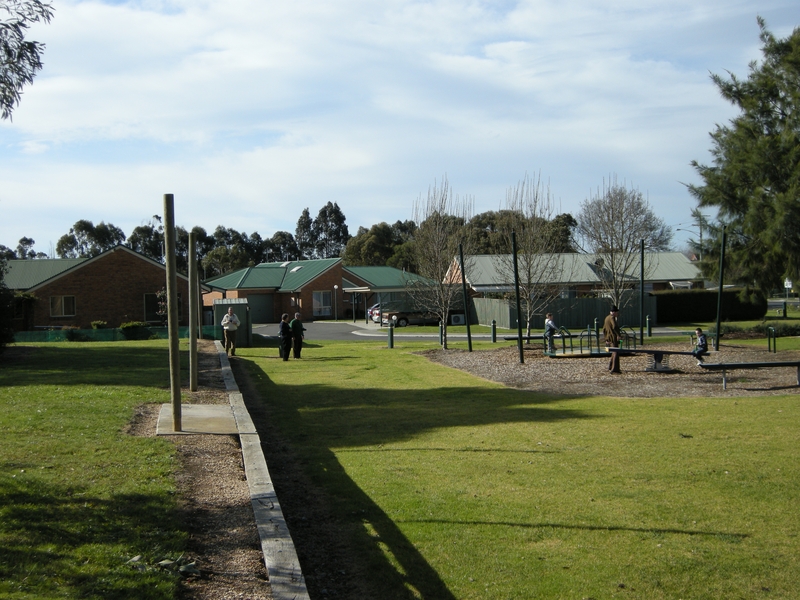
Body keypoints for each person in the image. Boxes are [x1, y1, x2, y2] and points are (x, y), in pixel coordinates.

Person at [603, 305, 621, 373]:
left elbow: (604, 329)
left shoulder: (606, 318)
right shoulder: (612, 318)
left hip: (609, 337)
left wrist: (606, 339)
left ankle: (610, 366)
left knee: (613, 352)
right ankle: (615, 368)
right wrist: (618, 335)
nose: (617, 314)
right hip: (613, 338)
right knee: (616, 352)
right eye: (616, 312)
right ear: (613, 312)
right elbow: (614, 326)